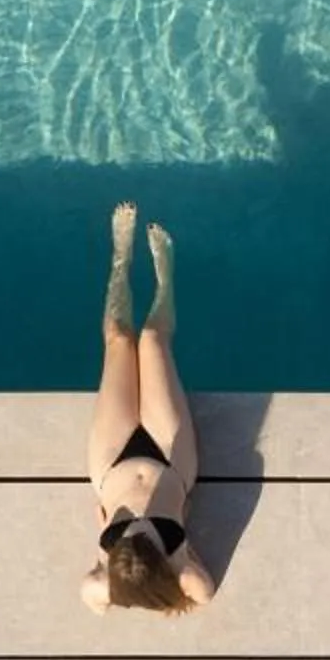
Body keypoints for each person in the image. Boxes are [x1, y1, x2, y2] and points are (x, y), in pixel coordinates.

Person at [81, 203, 217, 617]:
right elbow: (202, 595)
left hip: (111, 463)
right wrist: (174, 584)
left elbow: (93, 600)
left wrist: (115, 584)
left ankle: (120, 256)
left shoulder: (104, 584)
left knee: (119, 340)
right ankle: (165, 276)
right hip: (170, 460)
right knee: (153, 340)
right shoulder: (181, 574)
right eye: (146, 531)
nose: (138, 518)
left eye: (129, 530)